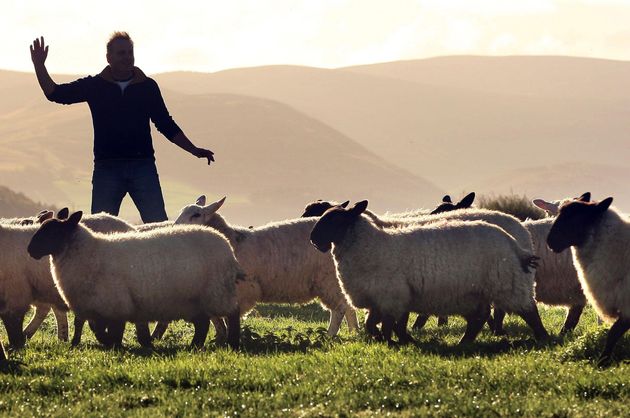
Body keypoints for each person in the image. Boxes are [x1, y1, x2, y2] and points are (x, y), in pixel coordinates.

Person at [29, 32, 214, 222]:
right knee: (99, 231)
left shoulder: (148, 87)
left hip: (143, 166)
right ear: (109, 58)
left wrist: (194, 150)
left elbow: (165, 124)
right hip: (107, 168)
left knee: (159, 227)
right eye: (121, 53)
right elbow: (55, 93)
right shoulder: (95, 85)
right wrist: (39, 66)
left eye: (130, 52)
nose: (127, 57)